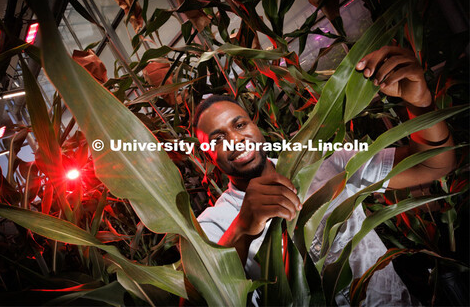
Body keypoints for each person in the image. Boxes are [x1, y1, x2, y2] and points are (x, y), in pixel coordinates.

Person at [194, 46, 455, 306]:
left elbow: (433, 166)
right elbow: (202, 300)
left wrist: (420, 103)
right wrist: (242, 228)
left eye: (240, 125)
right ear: (206, 154)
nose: (236, 139)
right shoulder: (214, 224)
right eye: (218, 139)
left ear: (255, 125)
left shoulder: (323, 161)